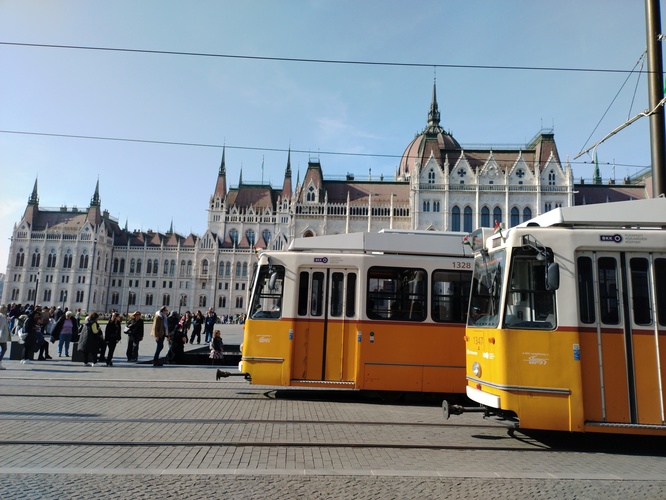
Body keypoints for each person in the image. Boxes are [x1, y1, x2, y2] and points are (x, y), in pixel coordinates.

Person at [0, 306, 11, 370]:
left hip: (2, 335)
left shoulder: (3, 316)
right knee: (4, 348)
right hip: (2, 335)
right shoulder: (2, 316)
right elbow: (2, 326)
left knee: (4, 348)